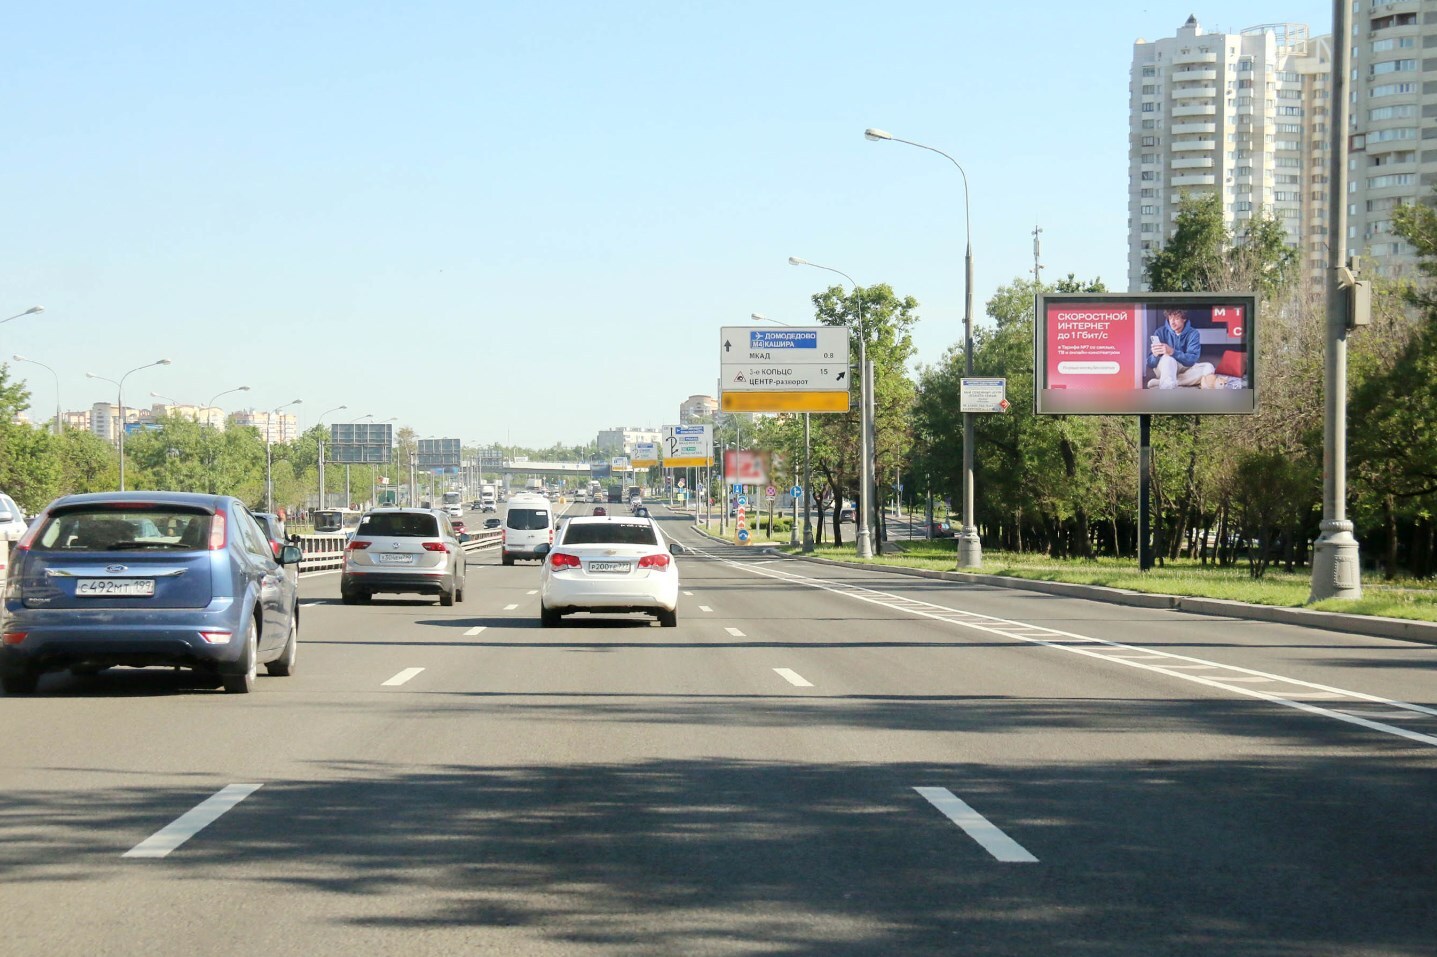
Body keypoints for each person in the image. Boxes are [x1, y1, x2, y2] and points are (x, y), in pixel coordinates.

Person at [1147, 308, 1215, 389]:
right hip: (1166, 367)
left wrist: (1173, 352)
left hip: (1184, 368)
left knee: (1209, 367)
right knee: (1168, 358)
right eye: (1170, 318)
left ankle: (1167, 382)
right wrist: (1155, 355)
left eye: (1176, 318)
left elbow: (1191, 360)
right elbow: (1151, 364)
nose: (1172, 322)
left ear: (1184, 319)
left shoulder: (1193, 333)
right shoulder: (1160, 332)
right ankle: (1167, 387)